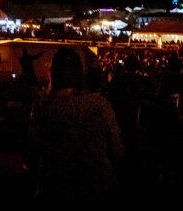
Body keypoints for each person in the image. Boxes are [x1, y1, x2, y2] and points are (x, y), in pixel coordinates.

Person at [30, 47, 123, 203]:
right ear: (81, 73)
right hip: (98, 190)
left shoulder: (42, 107)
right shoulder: (100, 105)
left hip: (57, 191)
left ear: (52, 73)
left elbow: (32, 155)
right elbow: (118, 152)